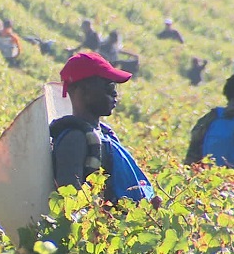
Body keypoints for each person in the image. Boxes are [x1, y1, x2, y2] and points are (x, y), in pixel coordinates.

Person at [51, 52, 157, 204]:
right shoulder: (75, 139)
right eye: (108, 86)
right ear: (83, 90)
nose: (115, 93)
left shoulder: (105, 134)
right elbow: (70, 203)